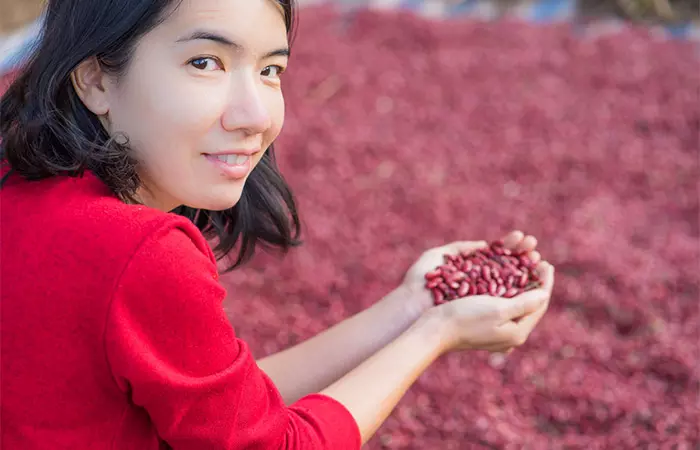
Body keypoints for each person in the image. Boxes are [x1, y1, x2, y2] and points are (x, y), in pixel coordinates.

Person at [0, 0, 555, 448]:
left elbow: (227, 412)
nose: (256, 115)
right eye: (205, 62)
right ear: (94, 78)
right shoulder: (140, 251)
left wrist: (411, 307)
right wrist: (437, 334)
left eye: (270, 70)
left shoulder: (21, 182)